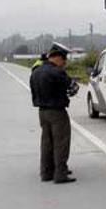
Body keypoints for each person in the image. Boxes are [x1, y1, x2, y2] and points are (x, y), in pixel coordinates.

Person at [29, 43, 77, 184]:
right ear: (57, 57)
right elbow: (71, 87)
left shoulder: (36, 72)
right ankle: (60, 174)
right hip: (57, 112)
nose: (64, 63)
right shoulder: (57, 72)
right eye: (63, 59)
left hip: (42, 112)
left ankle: (46, 172)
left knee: (46, 143)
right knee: (61, 143)